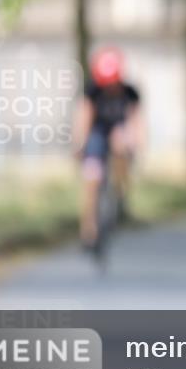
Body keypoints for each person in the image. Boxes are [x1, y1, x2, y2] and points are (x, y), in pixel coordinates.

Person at [72, 46, 143, 251]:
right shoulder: (93, 91)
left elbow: (136, 122)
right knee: (91, 177)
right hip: (97, 133)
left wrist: (135, 142)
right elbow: (84, 119)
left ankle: (120, 194)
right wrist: (79, 145)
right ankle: (88, 228)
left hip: (118, 132)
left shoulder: (130, 93)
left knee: (121, 143)